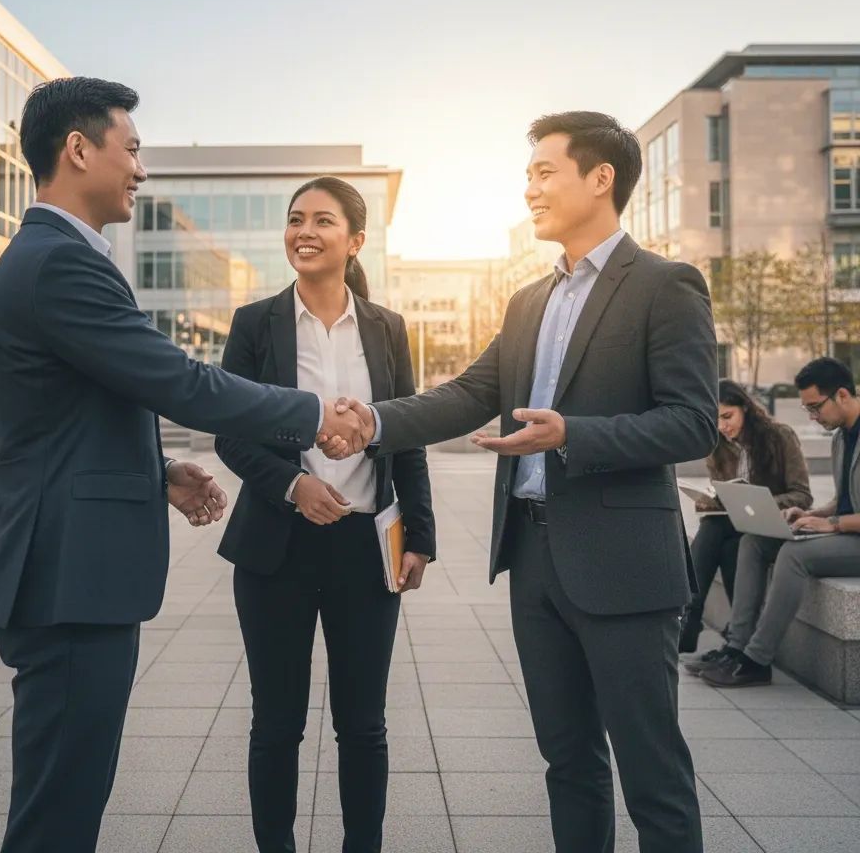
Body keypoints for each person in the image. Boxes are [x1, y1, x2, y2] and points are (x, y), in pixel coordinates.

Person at [0, 77, 369, 853]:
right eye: (130, 148)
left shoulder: (56, 257)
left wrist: (156, 474)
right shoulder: (59, 261)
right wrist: (311, 414)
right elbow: (176, 380)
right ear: (78, 149)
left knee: (67, 795)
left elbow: (73, 413)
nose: (140, 169)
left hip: (72, 573)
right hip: (67, 580)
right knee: (58, 811)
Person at [329, 111, 718, 853]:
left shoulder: (666, 286)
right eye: (528, 175)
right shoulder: (528, 300)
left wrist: (575, 433)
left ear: (601, 178)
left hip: (625, 566)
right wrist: (371, 422)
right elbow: (468, 394)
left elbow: (692, 423)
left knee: (652, 773)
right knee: (567, 761)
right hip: (534, 560)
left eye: (545, 172)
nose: (530, 189)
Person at [215, 177, 435, 853]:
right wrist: (291, 485)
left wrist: (419, 535)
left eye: (321, 221)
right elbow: (229, 431)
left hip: (366, 551)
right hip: (275, 549)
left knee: (364, 724)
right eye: (294, 220)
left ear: (355, 240)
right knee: (276, 723)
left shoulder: (389, 328)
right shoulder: (257, 324)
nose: (303, 231)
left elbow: (407, 432)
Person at [699, 357, 860, 687]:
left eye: (816, 407)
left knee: (793, 554)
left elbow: (842, 512)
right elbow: (845, 499)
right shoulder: (841, 438)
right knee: (753, 541)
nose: (813, 417)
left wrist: (834, 524)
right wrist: (813, 514)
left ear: (842, 395)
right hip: (846, 531)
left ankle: (757, 659)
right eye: (808, 410)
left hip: (852, 536)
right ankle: (736, 645)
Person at [679, 379, 812, 653]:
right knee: (718, 531)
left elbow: (802, 495)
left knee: (721, 534)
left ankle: (690, 621)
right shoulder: (719, 445)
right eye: (716, 420)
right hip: (734, 524)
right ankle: (728, 635)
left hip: (770, 524)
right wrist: (712, 502)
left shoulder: (780, 437)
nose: (723, 426)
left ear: (746, 409)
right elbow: (725, 493)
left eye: (728, 416)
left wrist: (762, 502)